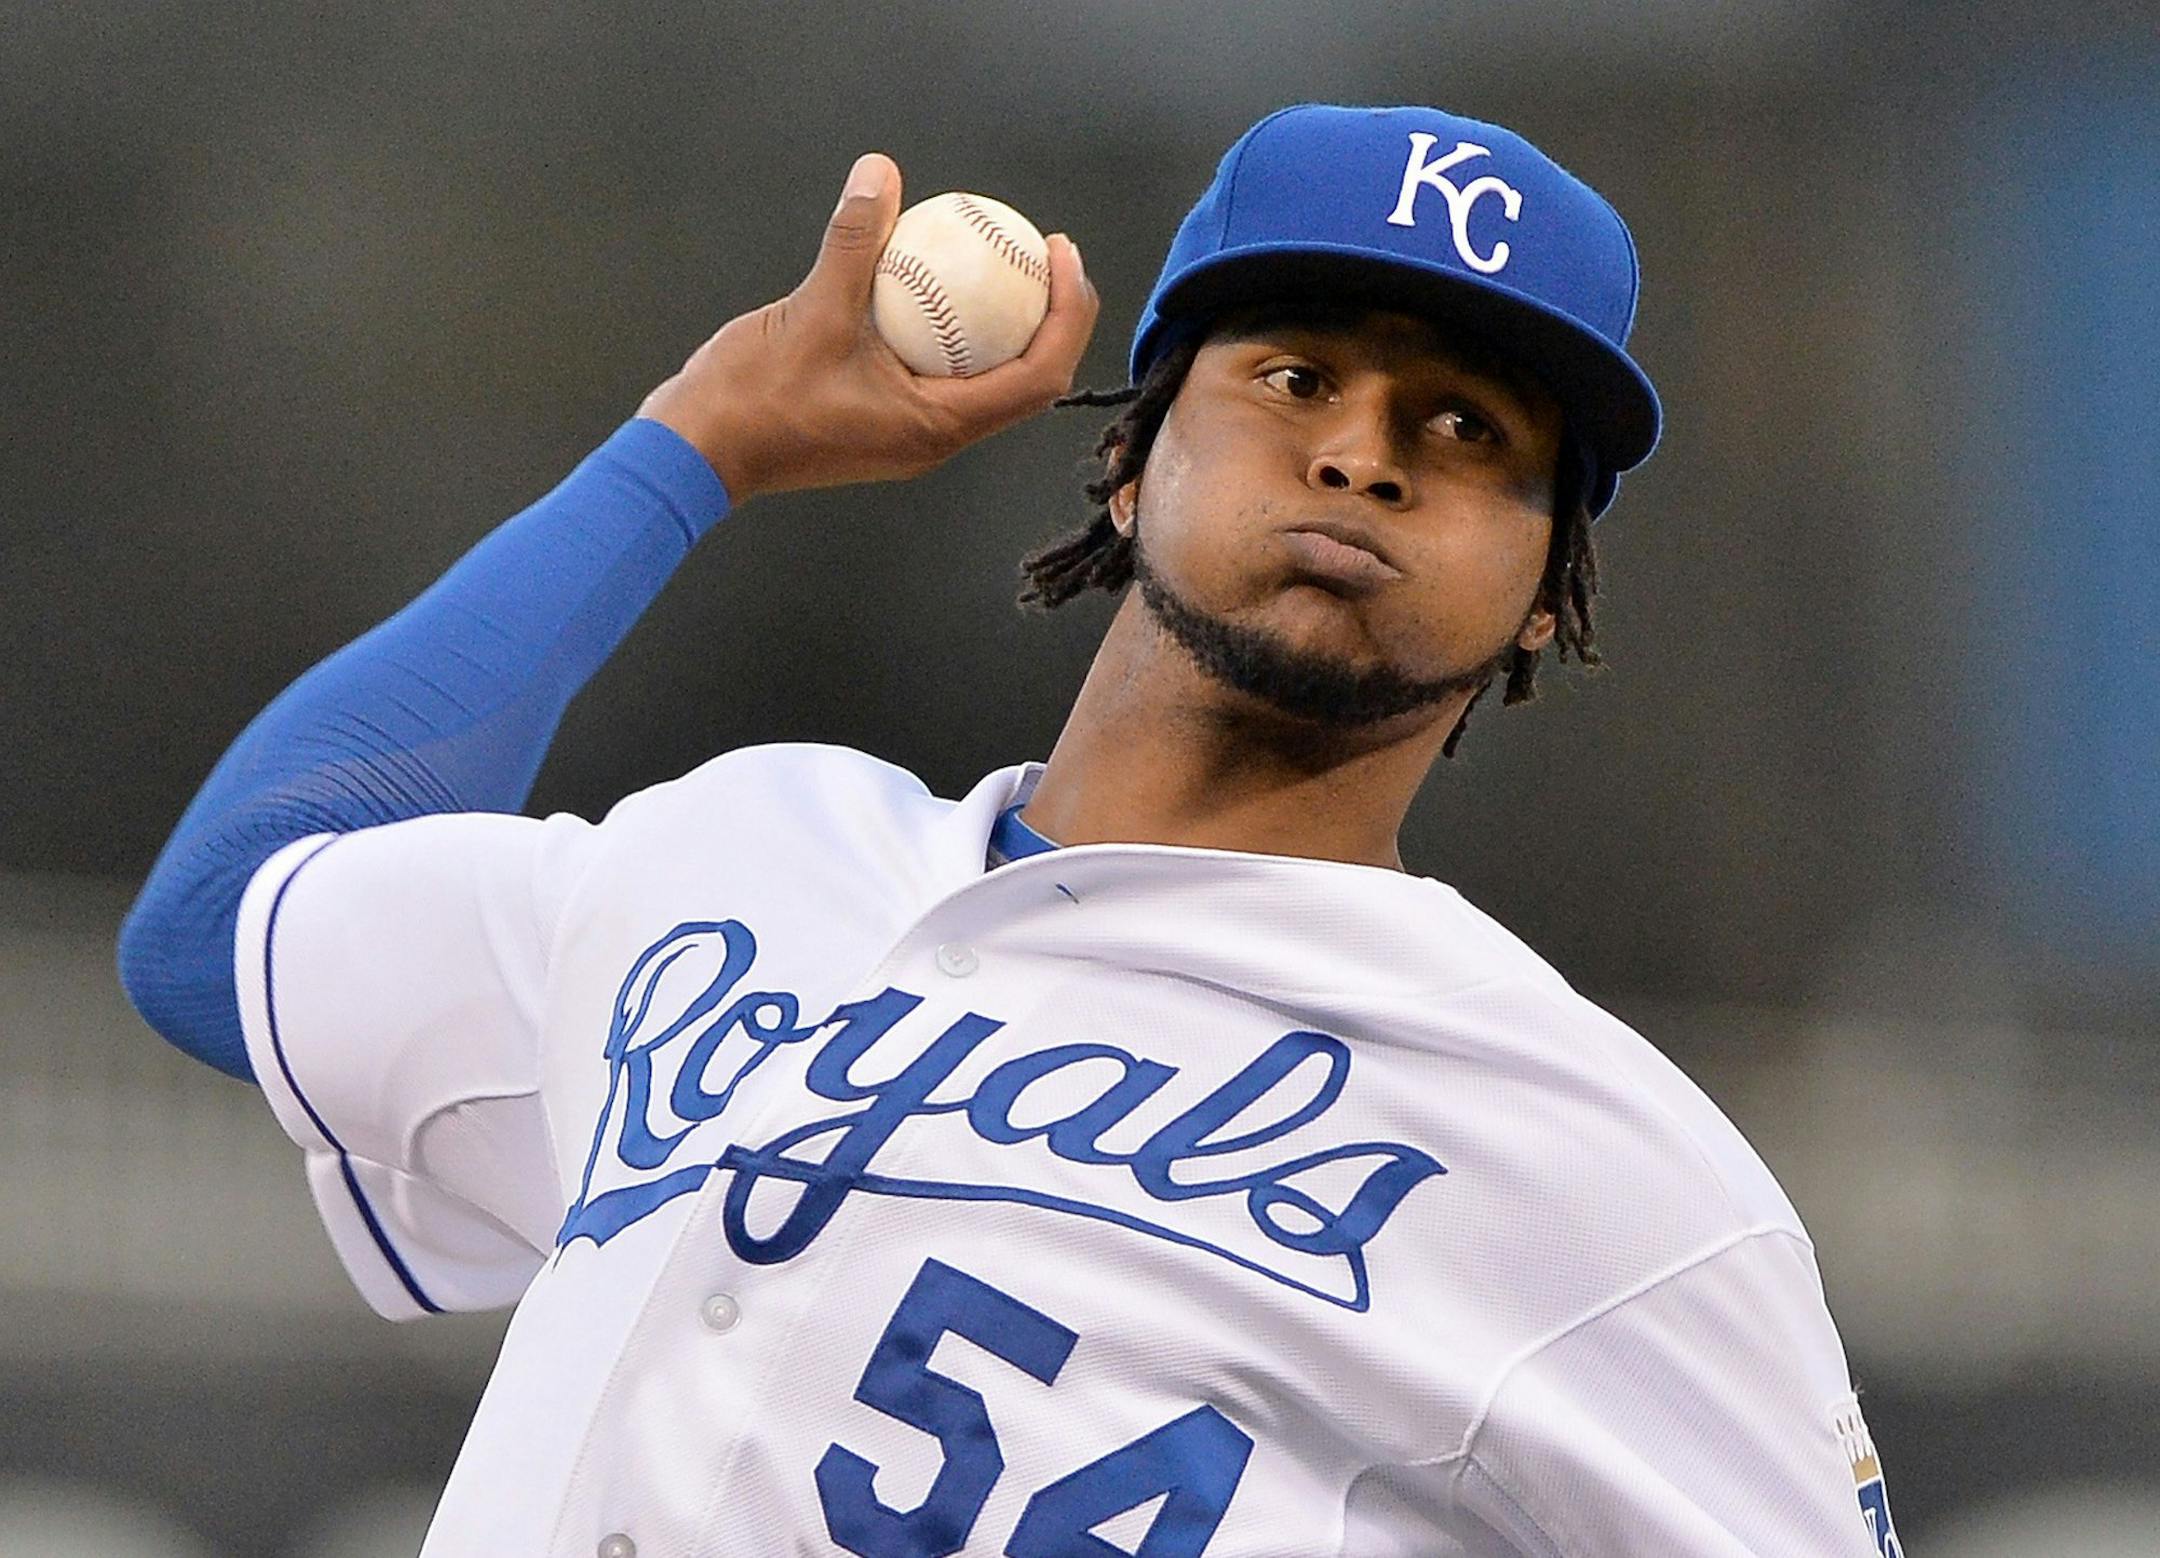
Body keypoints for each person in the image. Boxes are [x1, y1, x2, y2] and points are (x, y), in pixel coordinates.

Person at [119, 104, 1902, 1557]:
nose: (1365, 454)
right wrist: (700, 442)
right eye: (1294, 377)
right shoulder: (744, 854)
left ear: (1545, 595)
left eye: (1467, 426)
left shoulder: (1600, 1170)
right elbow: (220, 928)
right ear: (1130, 462)